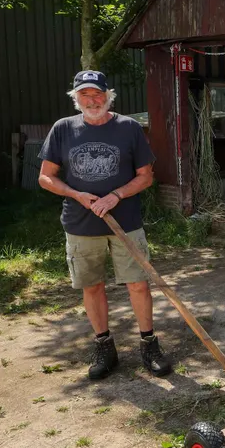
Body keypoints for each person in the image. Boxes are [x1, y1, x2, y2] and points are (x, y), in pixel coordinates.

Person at [38, 70, 171, 380]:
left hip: (125, 223)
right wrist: (75, 194)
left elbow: (146, 176)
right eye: (84, 94)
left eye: (97, 93)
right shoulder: (63, 129)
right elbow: (46, 176)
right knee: (92, 285)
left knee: (138, 283)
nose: (92, 99)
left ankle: (149, 344)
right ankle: (104, 347)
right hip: (80, 223)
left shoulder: (128, 128)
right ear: (76, 99)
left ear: (108, 95)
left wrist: (115, 195)